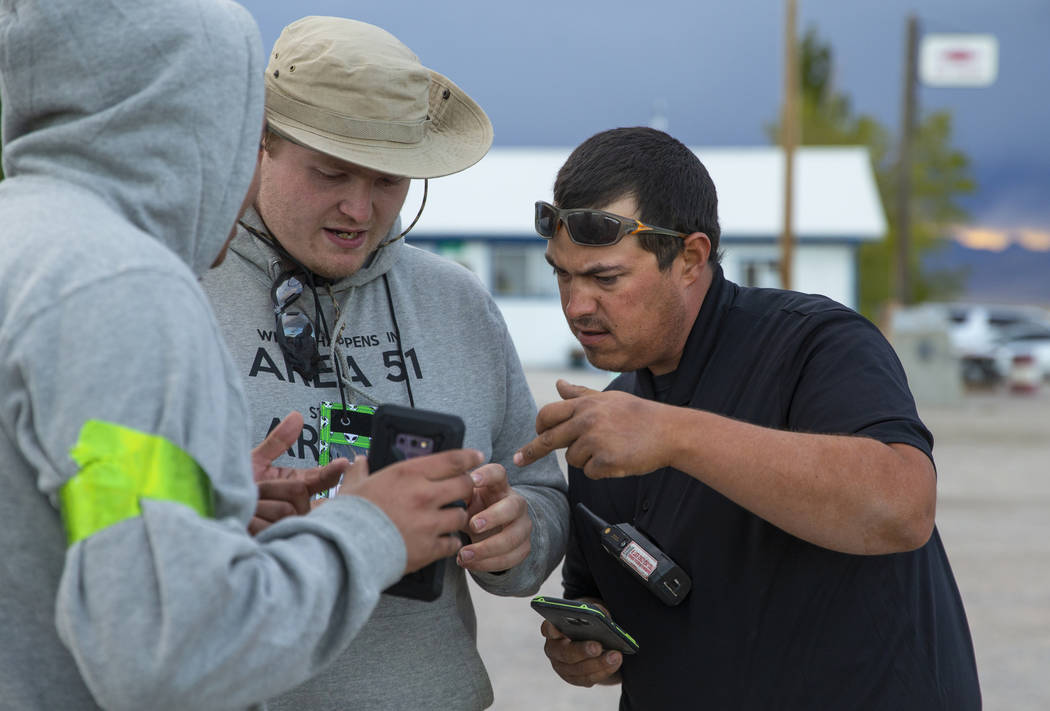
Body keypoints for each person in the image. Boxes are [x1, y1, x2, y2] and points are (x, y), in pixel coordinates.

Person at [0, 1, 485, 708]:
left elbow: (77, 507)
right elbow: (171, 655)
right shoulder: (128, 286)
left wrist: (203, 509)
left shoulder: (30, 241)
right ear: (218, 122)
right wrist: (371, 528)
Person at [514, 127, 981, 709]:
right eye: (563, 274)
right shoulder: (608, 419)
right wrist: (587, 652)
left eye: (605, 278)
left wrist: (673, 434)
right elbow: (606, 612)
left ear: (690, 258)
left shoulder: (815, 343)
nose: (577, 305)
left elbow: (901, 508)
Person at [200, 16, 568, 710]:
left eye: (389, 179)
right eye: (330, 172)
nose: (360, 208)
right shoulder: (176, 286)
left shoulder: (457, 302)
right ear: (259, 144)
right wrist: (212, 505)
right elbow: (79, 513)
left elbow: (542, 494)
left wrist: (519, 531)